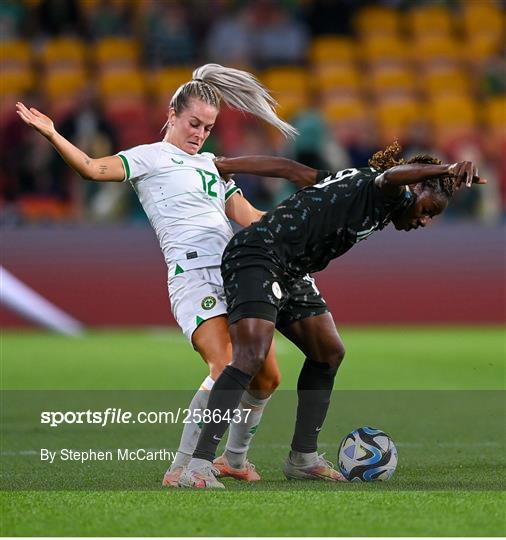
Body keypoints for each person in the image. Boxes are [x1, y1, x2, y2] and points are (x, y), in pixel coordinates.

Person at [16, 63, 314, 488]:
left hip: (236, 273)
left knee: (268, 377)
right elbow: (91, 168)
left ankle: (233, 459)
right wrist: (52, 133)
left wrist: (307, 219)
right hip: (193, 275)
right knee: (226, 363)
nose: (198, 134)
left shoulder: (212, 165)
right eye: (193, 123)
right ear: (173, 115)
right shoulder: (148, 158)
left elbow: (248, 216)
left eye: (207, 128)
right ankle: (181, 466)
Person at [179, 141, 486, 488]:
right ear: (415, 188)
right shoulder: (385, 189)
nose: (425, 220)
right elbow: (391, 176)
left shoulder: (353, 181)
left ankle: (302, 458)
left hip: (290, 269)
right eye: (429, 209)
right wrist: (445, 169)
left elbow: (293, 171)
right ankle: (199, 465)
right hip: (259, 254)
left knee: (329, 352)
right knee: (251, 355)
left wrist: (228, 163)